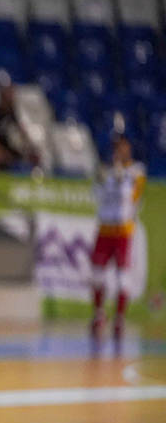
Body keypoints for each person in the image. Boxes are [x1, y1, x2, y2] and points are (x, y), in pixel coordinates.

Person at [90, 135, 146, 356]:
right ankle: (98, 315)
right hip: (105, 228)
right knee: (97, 274)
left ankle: (120, 319)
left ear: (129, 149)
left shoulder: (136, 172)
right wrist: (103, 180)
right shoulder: (106, 169)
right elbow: (97, 196)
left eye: (124, 148)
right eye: (117, 148)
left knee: (123, 277)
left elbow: (132, 199)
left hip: (123, 231)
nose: (120, 152)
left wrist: (122, 180)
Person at [0, 84, 39, 171]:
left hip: (11, 154)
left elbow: (22, 134)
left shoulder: (13, 115)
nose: (11, 98)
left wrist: (30, 150)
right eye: (8, 95)